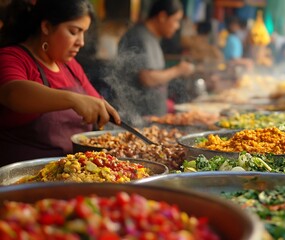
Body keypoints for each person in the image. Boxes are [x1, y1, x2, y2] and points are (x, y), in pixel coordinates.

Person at [0, 0, 121, 166]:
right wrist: (73, 99)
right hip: (23, 181)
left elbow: (96, 106)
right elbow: (12, 93)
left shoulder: (70, 66)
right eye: (74, 31)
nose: (81, 42)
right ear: (46, 27)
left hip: (72, 174)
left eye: (83, 33)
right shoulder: (12, 57)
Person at [114, 0, 194, 121]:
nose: (177, 26)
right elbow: (147, 78)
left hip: (152, 118)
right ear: (162, 16)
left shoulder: (151, 37)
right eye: (176, 20)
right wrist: (179, 70)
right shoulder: (139, 37)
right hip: (138, 120)